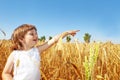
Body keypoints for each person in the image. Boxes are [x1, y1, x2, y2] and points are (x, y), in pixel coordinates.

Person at [2, 24, 79, 80]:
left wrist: (66, 33)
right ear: (21, 39)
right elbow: (6, 73)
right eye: (31, 34)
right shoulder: (15, 54)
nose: (36, 36)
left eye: (36, 33)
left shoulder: (36, 50)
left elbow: (54, 40)